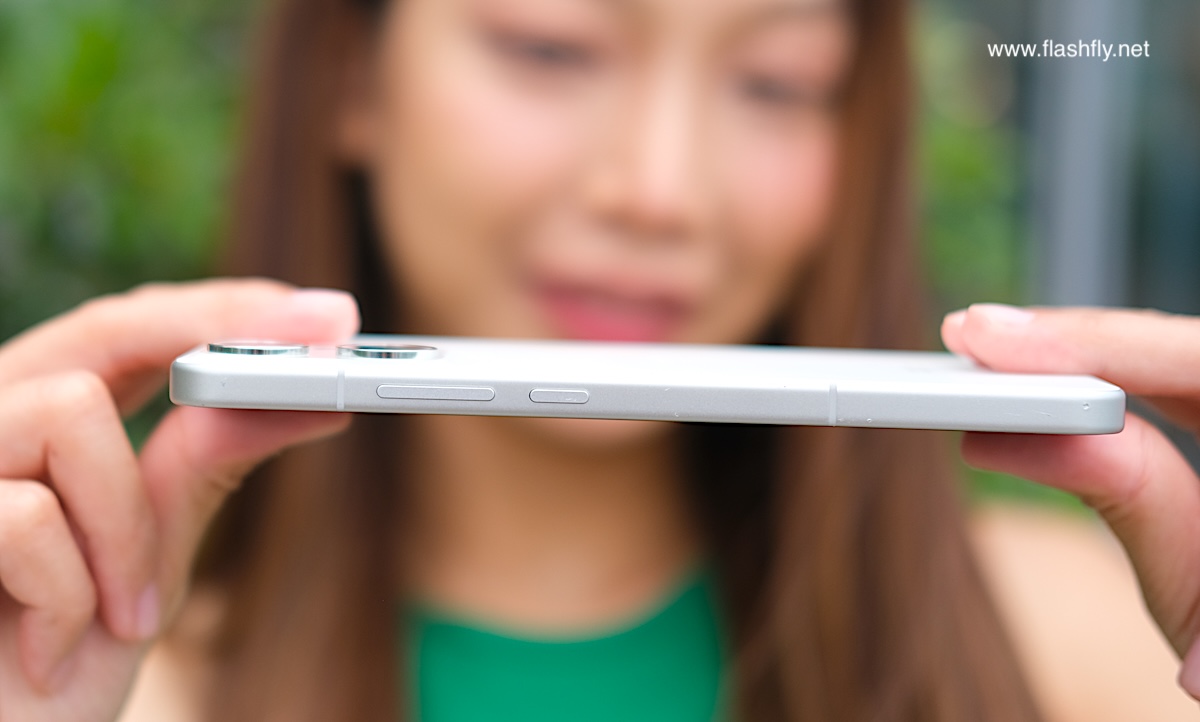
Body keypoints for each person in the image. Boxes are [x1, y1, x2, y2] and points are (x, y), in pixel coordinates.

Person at [0, 0, 1196, 720]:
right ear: (351, 73)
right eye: (553, 46)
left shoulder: (1101, 653)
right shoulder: (104, 682)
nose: (660, 189)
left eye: (778, 81)